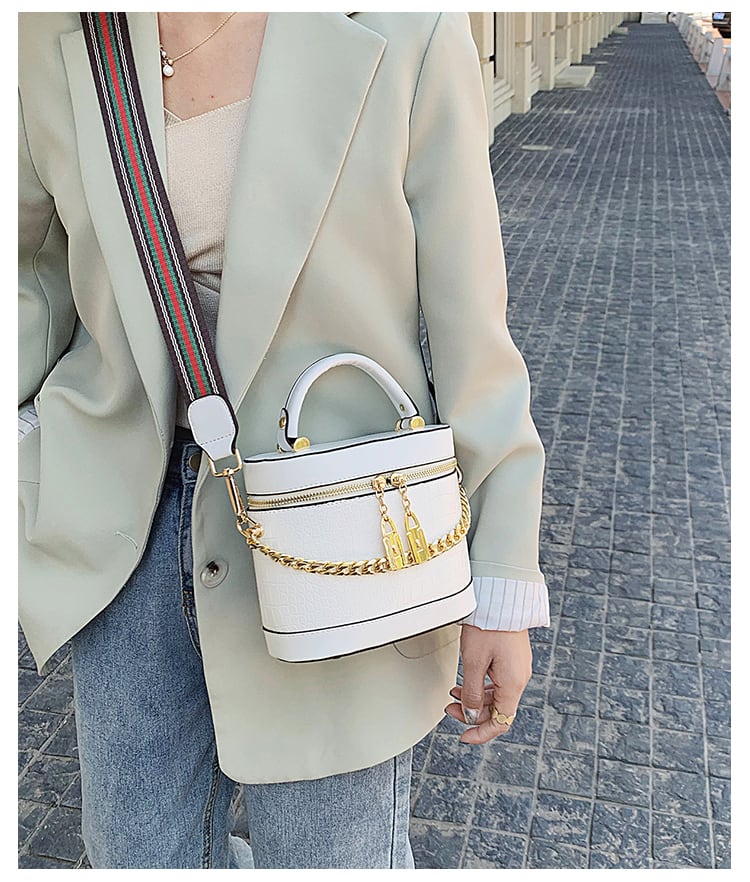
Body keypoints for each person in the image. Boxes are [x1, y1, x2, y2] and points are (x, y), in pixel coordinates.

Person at [18, 11, 550, 869]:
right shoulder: (53, 33)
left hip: (335, 527)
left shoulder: (407, 31)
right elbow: (33, 268)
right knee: (135, 854)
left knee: (331, 855)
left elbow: (471, 331)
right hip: (119, 513)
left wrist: (500, 571)